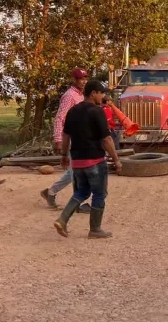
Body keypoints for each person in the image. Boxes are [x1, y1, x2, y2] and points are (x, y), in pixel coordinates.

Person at [53, 80, 122, 239]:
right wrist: (116, 160)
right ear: (93, 93)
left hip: (77, 161)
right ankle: (95, 229)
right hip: (95, 160)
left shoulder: (72, 111)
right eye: (101, 93)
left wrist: (64, 155)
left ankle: (62, 220)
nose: (102, 96)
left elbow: (66, 136)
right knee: (99, 193)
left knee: (82, 191)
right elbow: (106, 140)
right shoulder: (97, 112)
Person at [40, 68, 91, 212]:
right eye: (81, 79)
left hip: (79, 138)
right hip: (70, 138)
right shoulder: (69, 96)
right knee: (75, 171)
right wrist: (57, 139)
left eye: (85, 78)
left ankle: (51, 192)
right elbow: (60, 117)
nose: (84, 81)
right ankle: (74, 202)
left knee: (76, 170)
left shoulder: (81, 96)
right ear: (74, 80)